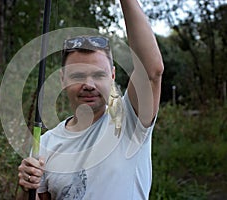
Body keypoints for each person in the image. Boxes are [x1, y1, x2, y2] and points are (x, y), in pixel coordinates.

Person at [17, 0, 164, 199]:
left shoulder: (130, 121)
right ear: (62, 80)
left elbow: (151, 72)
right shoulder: (45, 144)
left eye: (98, 75)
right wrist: (26, 188)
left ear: (112, 76)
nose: (89, 84)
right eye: (77, 75)